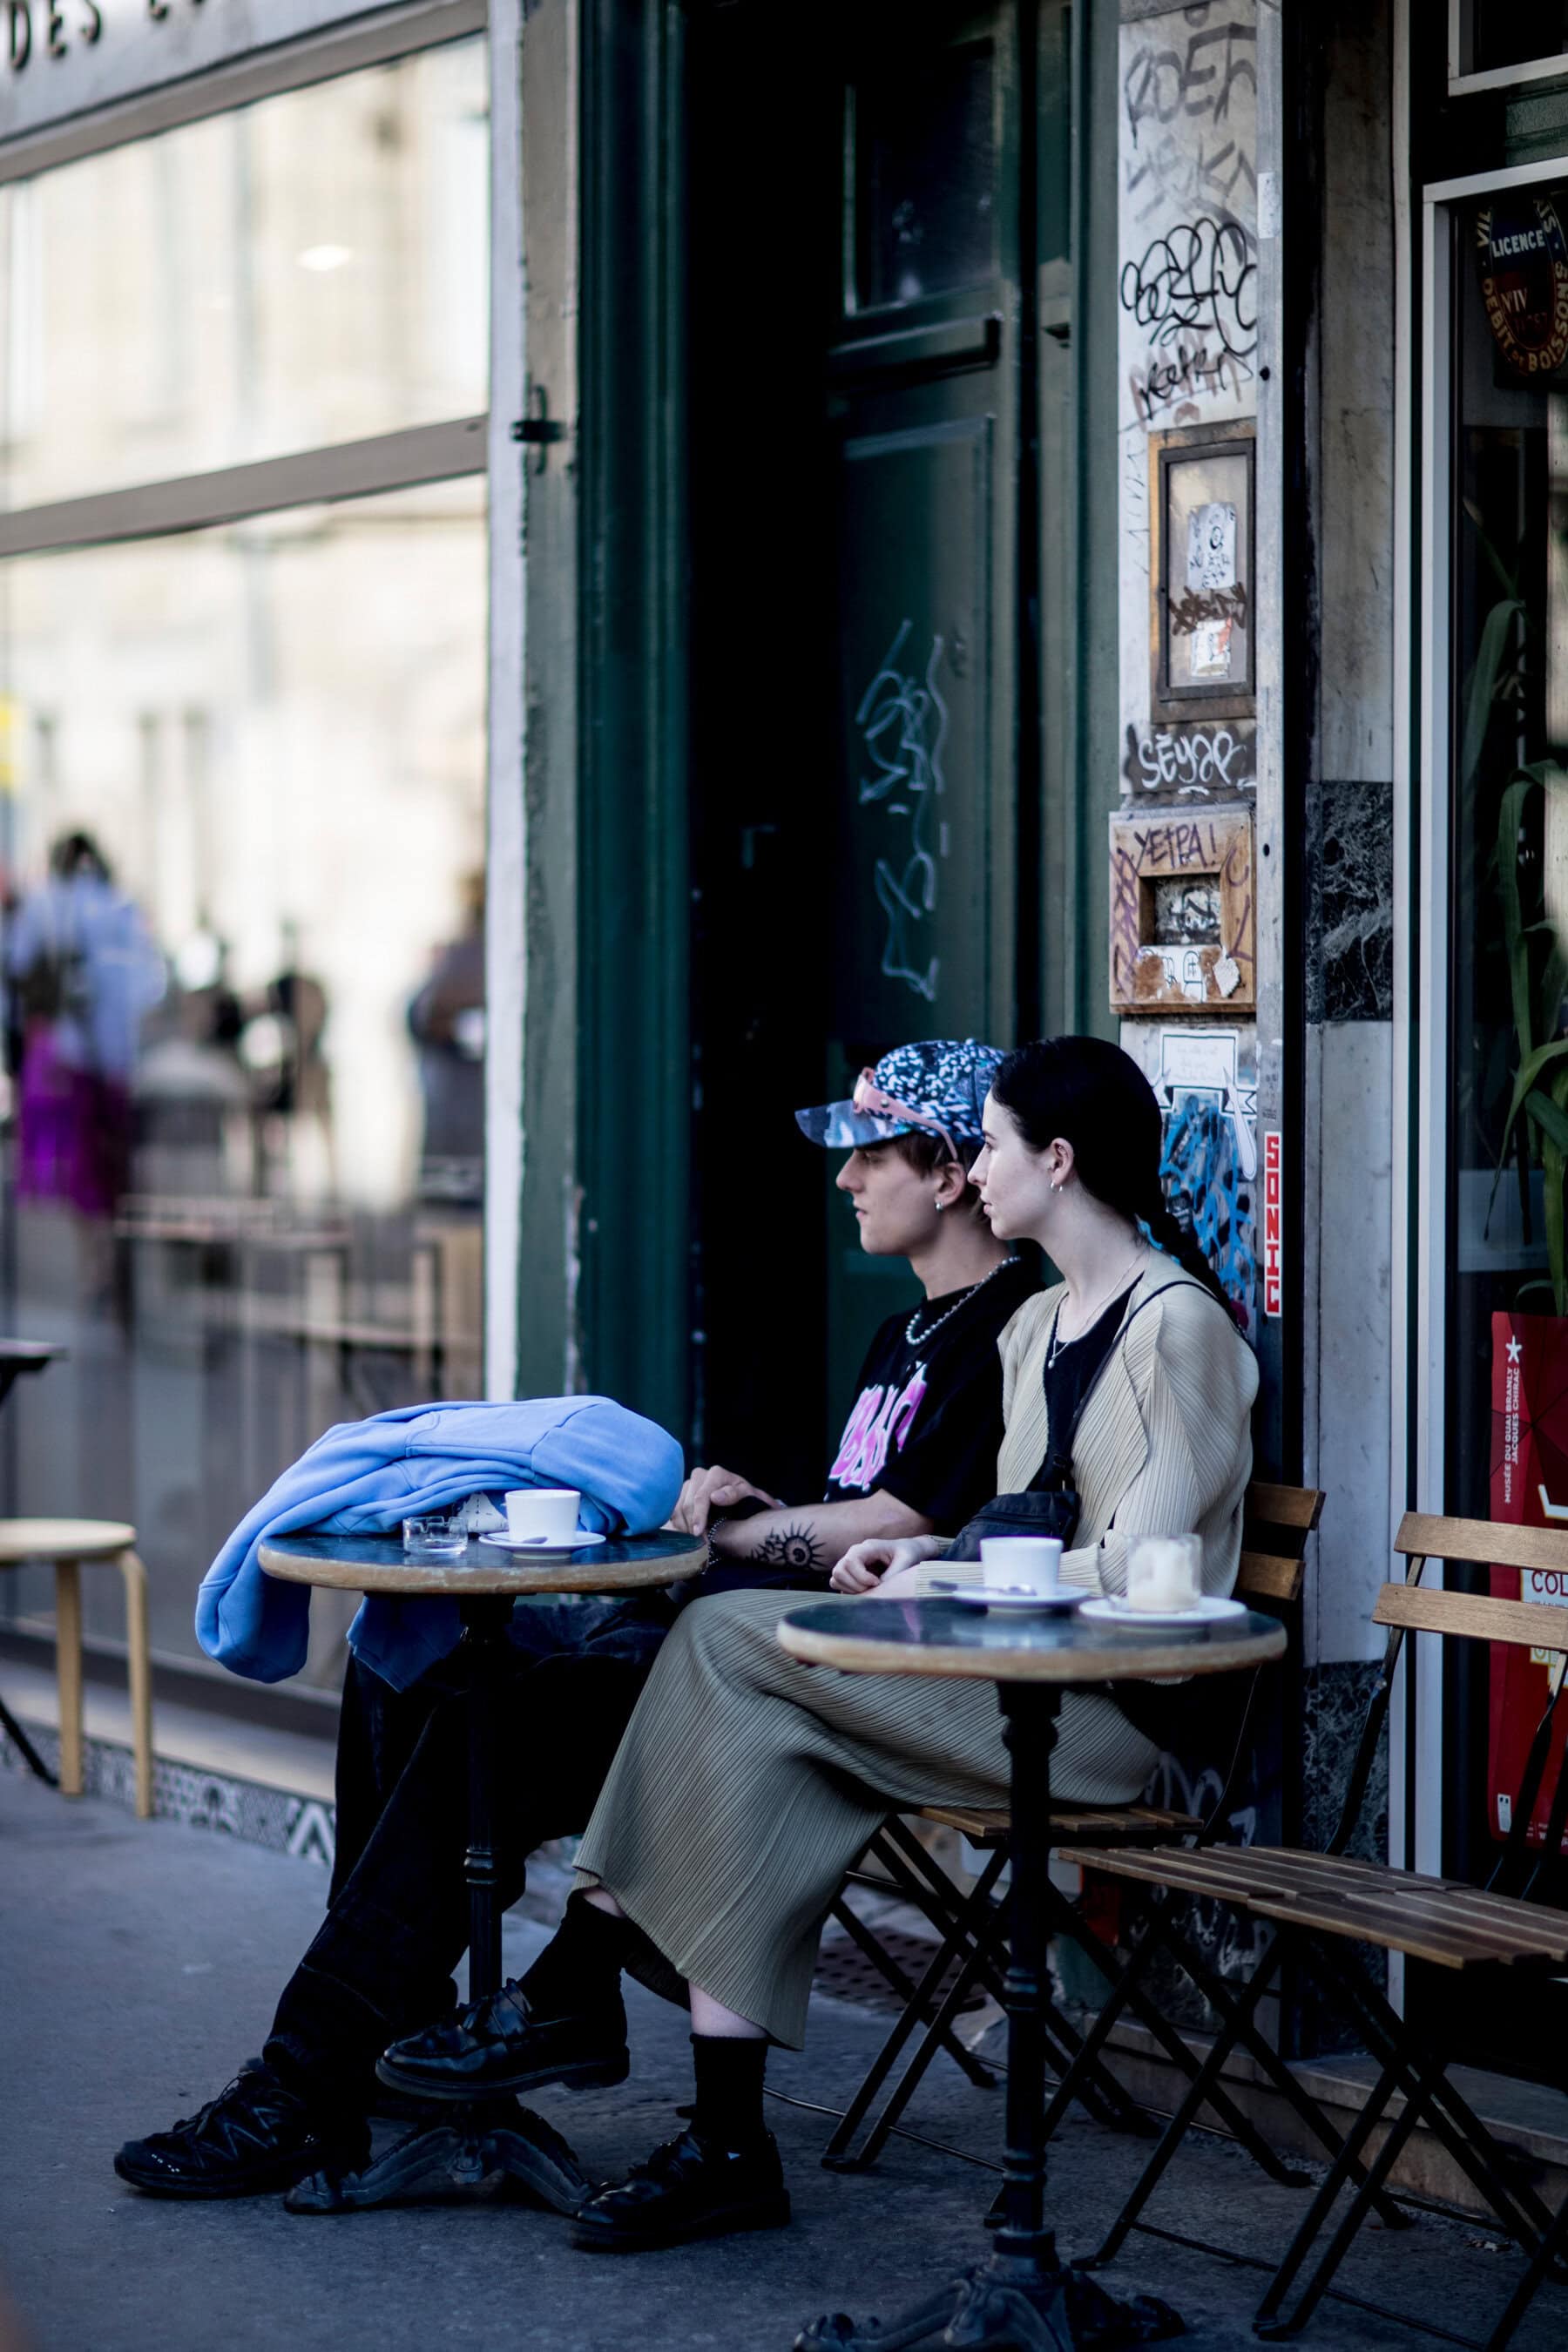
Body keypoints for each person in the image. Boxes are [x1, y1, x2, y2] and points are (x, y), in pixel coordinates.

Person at [114, 1037, 1035, 2200]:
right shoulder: (901, 1333)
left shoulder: (1009, 1329)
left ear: (949, 1171)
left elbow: (908, 1519)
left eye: (869, 1154)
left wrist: (733, 1538)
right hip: (694, 1636)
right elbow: (855, 1513)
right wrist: (757, 1509)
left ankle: (303, 2087)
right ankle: (398, 2027)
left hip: (769, 1687)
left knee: (491, 1723)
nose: (845, 1177)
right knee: (400, 1658)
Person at [380, 1036, 1257, 2253]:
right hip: (998, 1681)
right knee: (751, 1727)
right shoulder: (1037, 1331)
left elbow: (1144, 1570)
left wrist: (941, 1565)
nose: (978, 1172)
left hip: (1105, 1719)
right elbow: (1021, 1528)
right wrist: (929, 1554)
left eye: (991, 1147)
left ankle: (582, 1983)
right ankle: (726, 2143)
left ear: (1056, 1160)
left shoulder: (1176, 1328)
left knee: (721, 1638)